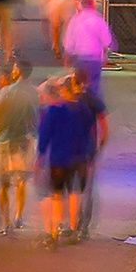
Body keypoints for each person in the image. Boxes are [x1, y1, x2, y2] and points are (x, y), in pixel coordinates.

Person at [34, 74, 98, 245]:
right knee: (74, 192)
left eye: (62, 88)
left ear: (66, 90)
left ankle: (54, 232)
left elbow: (45, 135)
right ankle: (73, 227)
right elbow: (90, 132)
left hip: (59, 158)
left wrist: (40, 156)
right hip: (80, 156)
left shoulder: (54, 111)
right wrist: (90, 153)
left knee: (56, 195)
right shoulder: (84, 110)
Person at [0, 60, 37, 234]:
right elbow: (33, 120)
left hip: (0, 143)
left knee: (3, 185)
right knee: (21, 180)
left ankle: (5, 222)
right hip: (21, 141)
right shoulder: (28, 95)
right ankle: (18, 216)